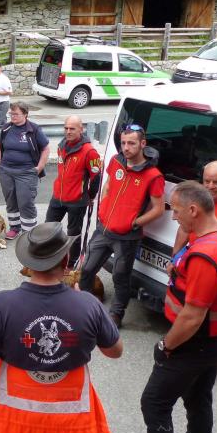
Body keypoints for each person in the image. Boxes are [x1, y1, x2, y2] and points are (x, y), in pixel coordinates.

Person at [0, 222, 122, 433]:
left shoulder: (2, 304)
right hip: (71, 429)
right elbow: (115, 351)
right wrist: (86, 304)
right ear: (66, 260)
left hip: (10, 429)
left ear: (28, 263)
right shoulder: (88, 304)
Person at [141, 181, 217, 433]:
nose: (173, 217)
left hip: (196, 341)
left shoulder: (206, 255)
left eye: (176, 211)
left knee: (154, 402)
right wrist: (180, 270)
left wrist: (165, 345)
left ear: (193, 210)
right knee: (199, 396)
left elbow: (192, 317)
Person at [78, 124, 165, 328]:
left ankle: (116, 314)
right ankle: (84, 305)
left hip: (127, 237)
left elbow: (158, 209)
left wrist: (134, 222)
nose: (126, 148)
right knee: (86, 269)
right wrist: (103, 208)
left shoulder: (153, 176)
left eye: (131, 143)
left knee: (120, 276)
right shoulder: (116, 161)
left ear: (143, 144)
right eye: (123, 143)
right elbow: (108, 185)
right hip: (103, 229)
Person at [44, 115, 101, 266]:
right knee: (48, 229)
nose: (68, 131)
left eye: (72, 129)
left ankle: (71, 264)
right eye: (66, 128)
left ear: (81, 130)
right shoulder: (61, 146)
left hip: (77, 201)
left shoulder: (90, 152)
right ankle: (49, 259)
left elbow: (96, 177)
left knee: (73, 235)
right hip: (58, 197)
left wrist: (90, 196)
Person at [0, 102, 50, 239]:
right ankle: (14, 228)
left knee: (25, 202)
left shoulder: (34, 130)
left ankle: (28, 233)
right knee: (11, 201)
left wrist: (39, 167)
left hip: (26, 173)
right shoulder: (6, 128)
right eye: (11, 113)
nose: (12, 116)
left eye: (16, 114)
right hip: (6, 171)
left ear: (25, 114)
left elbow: (45, 149)